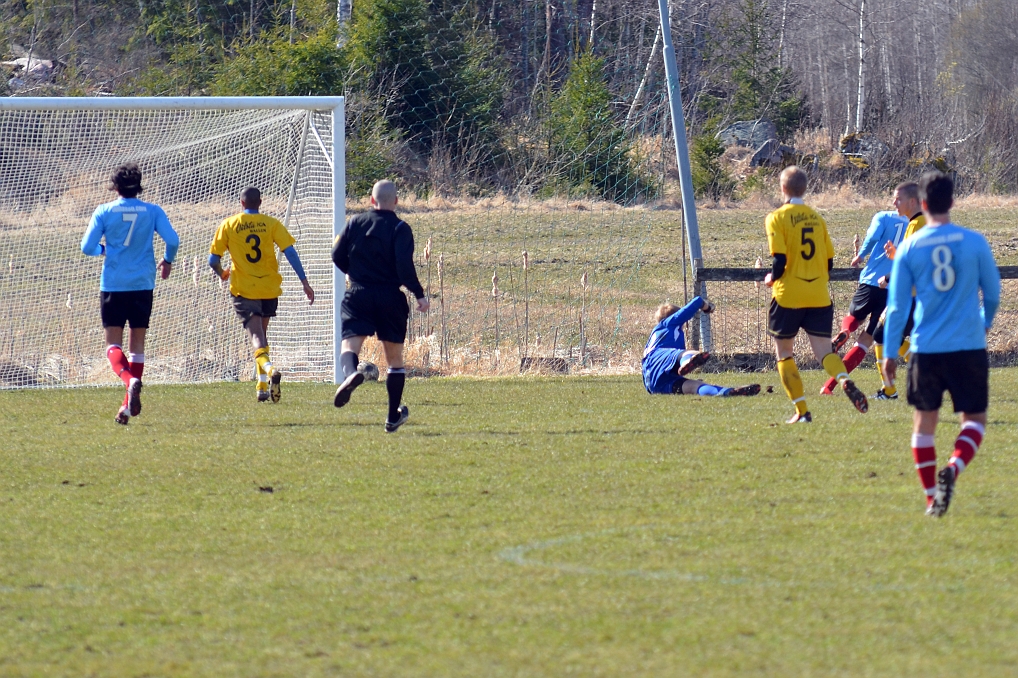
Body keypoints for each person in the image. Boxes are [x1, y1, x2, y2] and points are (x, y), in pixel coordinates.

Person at [882, 171, 1000, 517]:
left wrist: (890, 353)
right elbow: (992, 293)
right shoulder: (974, 241)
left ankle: (932, 498)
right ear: (952, 202)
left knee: (924, 424)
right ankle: (955, 467)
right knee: (974, 420)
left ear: (922, 204)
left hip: (926, 349)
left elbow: (898, 306)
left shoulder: (909, 248)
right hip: (968, 346)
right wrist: (984, 322)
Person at [764, 166, 868, 423]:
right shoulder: (817, 218)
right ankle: (843, 379)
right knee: (824, 352)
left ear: (783, 188)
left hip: (789, 295)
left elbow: (779, 260)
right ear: (805, 188)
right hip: (819, 295)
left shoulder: (776, 217)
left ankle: (802, 412)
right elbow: (829, 263)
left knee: (785, 354)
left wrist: (772, 277)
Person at [80, 163, 179, 424]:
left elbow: (87, 246)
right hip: (143, 283)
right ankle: (125, 407)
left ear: (115, 187)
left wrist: (105, 251)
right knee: (138, 346)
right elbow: (173, 240)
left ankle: (129, 382)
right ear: (139, 186)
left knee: (113, 345)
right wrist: (167, 261)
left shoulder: (104, 211)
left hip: (113, 284)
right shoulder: (153, 210)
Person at [331, 180, 430, 432]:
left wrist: (354, 273)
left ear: (371, 200)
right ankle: (392, 417)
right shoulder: (400, 227)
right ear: (396, 201)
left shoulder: (354, 222)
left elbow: (336, 255)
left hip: (359, 293)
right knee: (395, 362)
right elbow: (404, 267)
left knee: (349, 344)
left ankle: (352, 372)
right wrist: (419, 294)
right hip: (390, 296)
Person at [208, 187, 315, 403]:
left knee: (257, 338)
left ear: (241, 203)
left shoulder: (228, 225)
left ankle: (270, 369)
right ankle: (262, 386)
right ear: (261, 202)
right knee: (263, 338)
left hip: (244, 289)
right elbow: (290, 252)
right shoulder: (271, 223)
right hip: (269, 289)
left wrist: (222, 273)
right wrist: (304, 282)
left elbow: (213, 260)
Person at [820, 185, 914, 395]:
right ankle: (830, 385)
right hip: (895, 287)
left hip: (873, 280)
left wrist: (860, 255)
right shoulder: (915, 223)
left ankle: (844, 332)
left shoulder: (883, 217)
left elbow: (872, 238)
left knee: (854, 317)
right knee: (866, 341)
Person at [867, 183, 928, 400]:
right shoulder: (918, 223)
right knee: (883, 336)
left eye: (897, 199)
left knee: (882, 336)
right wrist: (895, 255)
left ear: (912, 202)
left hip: (913, 295)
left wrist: (889, 278)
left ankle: (894, 388)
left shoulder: (918, 224)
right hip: (914, 294)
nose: (894, 203)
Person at [643, 298, 760, 397]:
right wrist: (707, 307)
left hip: (652, 383)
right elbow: (697, 301)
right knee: (688, 353)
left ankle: (727, 392)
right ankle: (687, 360)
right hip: (658, 356)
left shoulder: (659, 336)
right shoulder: (667, 323)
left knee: (695, 386)